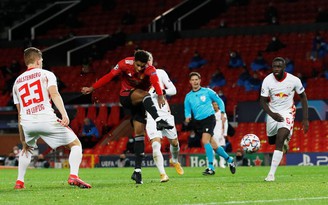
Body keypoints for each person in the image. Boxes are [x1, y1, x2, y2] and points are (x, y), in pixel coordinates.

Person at [81, 50, 173, 184]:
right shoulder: (124, 63)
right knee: (145, 96)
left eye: (143, 66)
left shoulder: (149, 68)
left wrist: (160, 94)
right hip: (126, 96)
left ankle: (137, 172)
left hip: (140, 103)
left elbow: (155, 80)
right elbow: (109, 76)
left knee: (139, 134)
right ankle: (159, 120)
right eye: (138, 65)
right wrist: (92, 88)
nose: (140, 68)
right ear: (134, 60)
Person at [12, 47, 91, 189]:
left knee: (27, 148)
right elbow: (54, 94)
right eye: (41, 60)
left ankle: (19, 182)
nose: (42, 62)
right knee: (76, 145)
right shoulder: (47, 74)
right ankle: (73, 176)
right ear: (37, 61)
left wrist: (23, 139)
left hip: (27, 123)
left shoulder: (17, 82)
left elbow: (19, 113)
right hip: (46, 119)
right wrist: (64, 114)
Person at [260, 57, 309, 181]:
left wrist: (305, 118)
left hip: (287, 112)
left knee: (280, 138)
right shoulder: (267, 80)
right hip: (273, 113)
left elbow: (303, 97)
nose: (276, 69)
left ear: (284, 67)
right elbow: (263, 101)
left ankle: (271, 174)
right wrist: (272, 115)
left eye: (279, 66)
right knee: (272, 141)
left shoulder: (294, 80)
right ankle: (285, 141)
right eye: (274, 66)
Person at [184, 72, 236, 175]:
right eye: (193, 80)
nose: (195, 81)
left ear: (200, 80)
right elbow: (187, 109)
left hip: (209, 118)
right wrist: (187, 116)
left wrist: (222, 112)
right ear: (190, 82)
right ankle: (230, 160)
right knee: (214, 146)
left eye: (196, 79)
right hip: (197, 122)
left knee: (205, 141)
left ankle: (211, 167)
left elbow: (219, 101)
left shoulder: (207, 91)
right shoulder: (188, 96)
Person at [145, 53, 184, 182]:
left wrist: (162, 92)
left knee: (174, 142)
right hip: (151, 116)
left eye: (148, 59)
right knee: (156, 145)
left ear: (152, 60)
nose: (146, 62)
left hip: (165, 114)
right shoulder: (137, 77)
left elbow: (174, 90)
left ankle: (174, 160)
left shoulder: (160, 73)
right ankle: (163, 174)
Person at [212, 102, 228, 168]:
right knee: (212, 148)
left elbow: (226, 123)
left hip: (220, 133)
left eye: (216, 105)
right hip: (212, 133)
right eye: (213, 105)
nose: (215, 106)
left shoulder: (222, 113)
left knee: (221, 147)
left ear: (218, 105)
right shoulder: (211, 113)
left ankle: (222, 162)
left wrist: (225, 133)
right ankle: (213, 160)